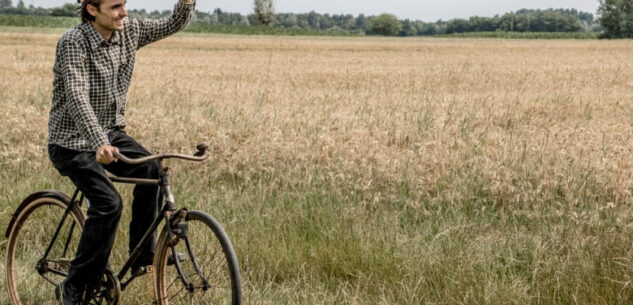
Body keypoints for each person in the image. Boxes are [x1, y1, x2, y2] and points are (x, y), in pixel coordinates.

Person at [47, 0, 195, 304]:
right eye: (115, 6)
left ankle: (143, 254)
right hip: (71, 142)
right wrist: (98, 141)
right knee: (109, 204)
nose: (124, 12)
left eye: (124, 4)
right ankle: (73, 288)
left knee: (151, 170)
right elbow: (77, 95)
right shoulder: (74, 42)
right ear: (92, 10)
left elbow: (172, 23)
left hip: (111, 133)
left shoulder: (130, 31)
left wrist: (187, 2)